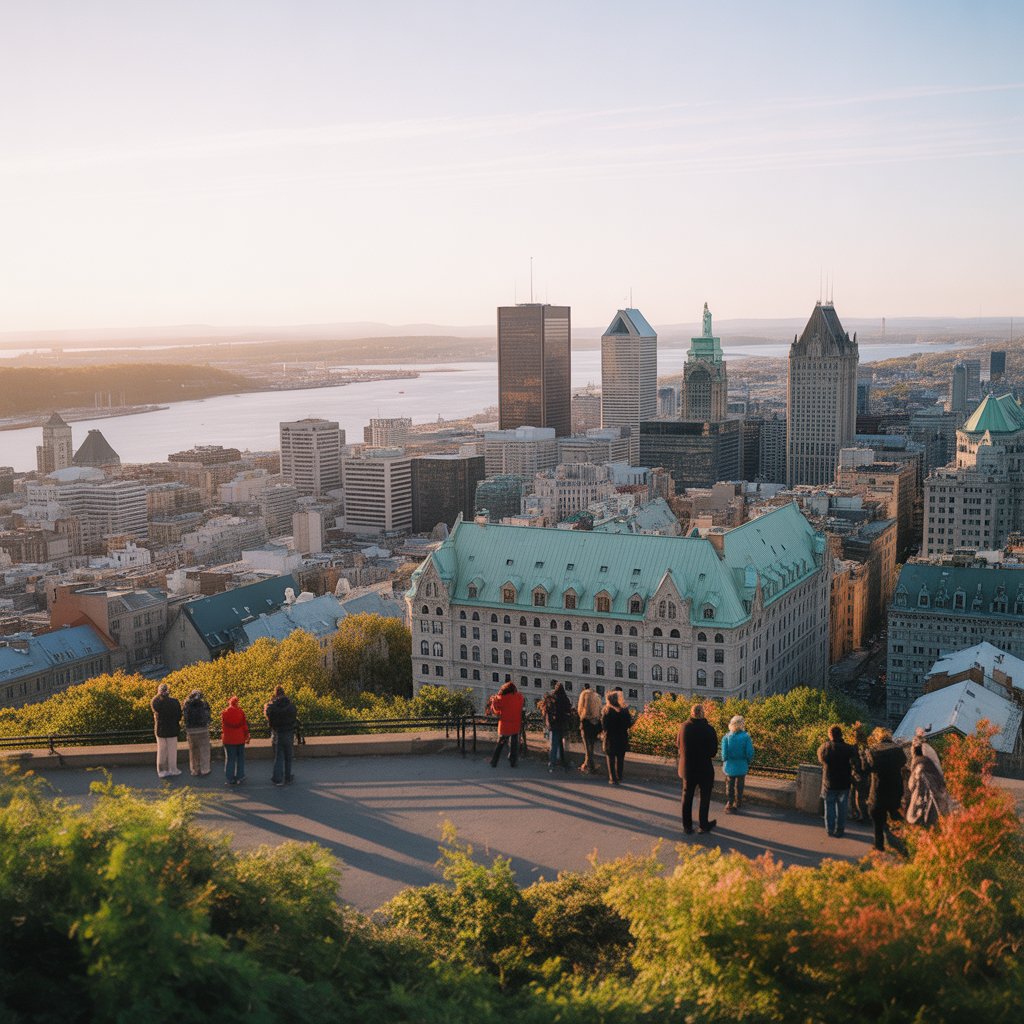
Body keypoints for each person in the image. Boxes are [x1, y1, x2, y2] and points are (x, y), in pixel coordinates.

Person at [677, 704, 718, 834]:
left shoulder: (684, 727)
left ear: (692, 713)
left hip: (687, 769)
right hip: (704, 769)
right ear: (703, 713)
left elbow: (678, 744)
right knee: (704, 797)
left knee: (687, 796)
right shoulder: (709, 729)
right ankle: (703, 824)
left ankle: (687, 826)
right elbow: (713, 752)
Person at [866, 726, 907, 854]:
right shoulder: (898, 750)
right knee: (895, 815)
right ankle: (902, 842)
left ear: (877, 737)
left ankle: (879, 846)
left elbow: (868, 768)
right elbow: (903, 762)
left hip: (879, 789)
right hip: (895, 789)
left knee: (877, 819)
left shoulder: (873, 751)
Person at [817, 724, 856, 837]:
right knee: (842, 808)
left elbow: (821, 759)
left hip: (829, 783)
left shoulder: (825, 747)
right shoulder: (849, 748)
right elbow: (855, 762)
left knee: (829, 807)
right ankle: (840, 829)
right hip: (844, 783)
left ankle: (830, 829)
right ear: (841, 735)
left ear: (830, 735)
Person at [905, 736, 952, 827]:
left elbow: (912, 784)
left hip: (922, 794)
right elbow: (939, 774)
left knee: (918, 816)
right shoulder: (929, 759)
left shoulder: (918, 763)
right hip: (936, 792)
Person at [264, 685, 298, 786]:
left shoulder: (272, 706)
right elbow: (294, 717)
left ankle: (278, 779)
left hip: (278, 733)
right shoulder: (291, 705)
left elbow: (269, 716)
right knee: (288, 757)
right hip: (289, 733)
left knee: (278, 757)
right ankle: (288, 777)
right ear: (284, 693)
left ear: (276, 693)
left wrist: (273, 726)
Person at [487, 678, 525, 768]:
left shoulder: (501, 698)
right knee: (514, 744)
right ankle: (513, 761)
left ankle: (494, 761)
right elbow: (521, 703)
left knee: (500, 744)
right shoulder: (519, 697)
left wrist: (494, 699)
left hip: (505, 725)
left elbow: (496, 710)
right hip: (515, 724)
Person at [721, 715, 754, 813]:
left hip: (730, 765)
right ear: (741, 724)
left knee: (730, 785)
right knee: (740, 784)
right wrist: (748, 760)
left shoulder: (726, 737)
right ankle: (738, 801)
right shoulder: (746, 737)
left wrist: (725, 760)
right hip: (742, 764)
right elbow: (749, 752)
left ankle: (730, 802)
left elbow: (724, 754)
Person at [601, 690, 634, 785]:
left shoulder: (607, 711)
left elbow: (604, 726)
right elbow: (629, 724)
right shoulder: (624, 710)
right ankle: (619, 776)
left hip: (610, 738)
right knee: (620, 759)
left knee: (611, 758)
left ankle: (613, 778)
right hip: (622, 737)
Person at [151, 682, 182, 779]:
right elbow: (179, 716)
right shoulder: (175, 702)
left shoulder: (156, 703)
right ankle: (173, 769)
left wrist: (159, 695)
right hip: (172, 729)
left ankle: (161, 771)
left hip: (160, 730)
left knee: (161, 751)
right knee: (172, 751)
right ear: (168, 692)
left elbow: (154, 703)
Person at [540, 681, 572, 772]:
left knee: (554, 744)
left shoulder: (553, 698)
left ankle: (552, 763)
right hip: (563, 724)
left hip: (554, 724)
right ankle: (563, 762)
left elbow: (548, 709)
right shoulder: (565, 699)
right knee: (562, 744)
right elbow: (568, 710)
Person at [220, 695, 250, 786]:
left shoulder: (224, 713)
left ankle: (230, 779)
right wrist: (247, 736)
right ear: (237, 703)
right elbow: (244, 726)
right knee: (240, 758)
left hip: (228, 739)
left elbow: (223, 727)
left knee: (230, 759)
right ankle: (240, 777)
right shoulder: (240, 712)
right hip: (240, 739)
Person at [182, 689, 212, 777]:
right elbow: (208, 716)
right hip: (203, 730)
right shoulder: (204, 704)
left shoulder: (187, 704)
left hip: (191, 731)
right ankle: (205, 769)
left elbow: (185, 717)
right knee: (204, 750)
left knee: (193, 751)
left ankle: (195, 770)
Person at [577, 682, 603, 774]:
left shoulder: (583, 695)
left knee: (587, 748)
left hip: (586, 724)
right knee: (591, 746)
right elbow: (600, 711)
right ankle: (587, 765)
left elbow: (580, 710)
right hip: (595, 724)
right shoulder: (596, 697)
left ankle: (589, 766)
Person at [849, 723, 871, 822]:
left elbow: (852, 761)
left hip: (856, 774)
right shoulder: (867, 747)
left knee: (856, 795)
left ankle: (858, 814)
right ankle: (863, 814)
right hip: (865, 775)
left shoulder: (854, 747)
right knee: (863, 795)